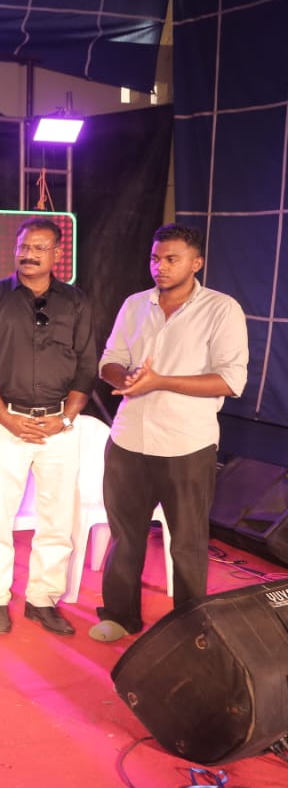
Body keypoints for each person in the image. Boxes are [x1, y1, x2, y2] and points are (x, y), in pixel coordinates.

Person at [90, 224, 248, 642]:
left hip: (187, 443)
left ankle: (189, 630)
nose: (159, 266)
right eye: (155, 258)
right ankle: (120, 616)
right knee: (126, 537)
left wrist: (160, 381)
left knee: (187, 543)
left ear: (196, 263)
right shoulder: (135, 304)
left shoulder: (221, 309)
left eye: (171, 259)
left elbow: (230, 380)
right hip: (128, 439)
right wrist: (127, 377)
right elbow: (109, 361)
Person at [0, 218, 98, 636]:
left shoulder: (76, 302)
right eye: (24, 246)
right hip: (7, 421)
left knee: (57, 519)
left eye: (40, 248)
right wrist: (4, 416)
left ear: (57, 254)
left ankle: (42, 599)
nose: (29, 254)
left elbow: (86, 366)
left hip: (59, 426)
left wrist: (64, 419)